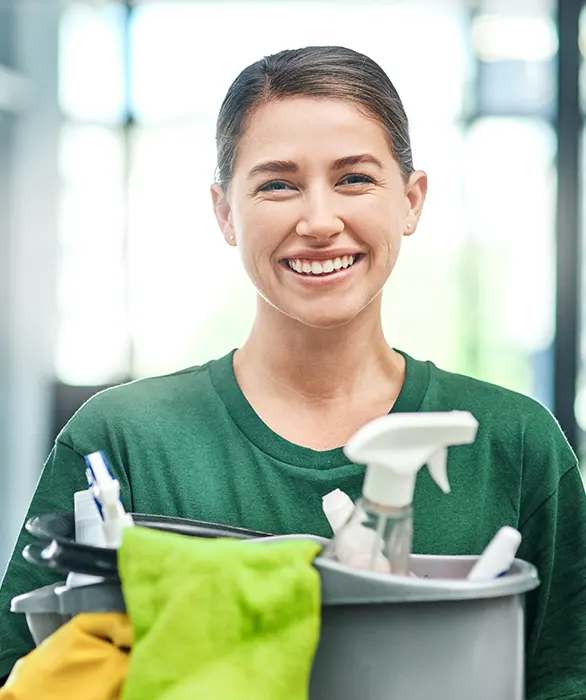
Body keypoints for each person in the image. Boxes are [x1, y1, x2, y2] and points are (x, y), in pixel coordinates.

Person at [1, 45, 585, 698]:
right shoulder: (123, 440)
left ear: (412, 199)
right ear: (225, 211)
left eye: (354, 179)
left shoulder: (515, 443)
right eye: (277, 183)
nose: (318, 221)